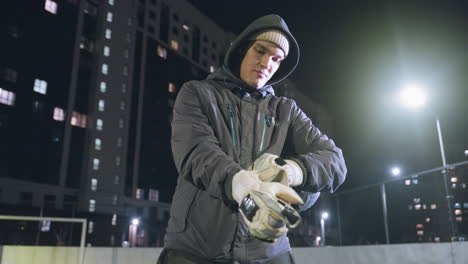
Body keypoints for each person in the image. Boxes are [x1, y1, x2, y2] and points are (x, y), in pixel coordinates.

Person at [157, 14, 347, 264]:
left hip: (268, 253)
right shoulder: (197, 93)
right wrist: (244, 186)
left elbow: (335, 161)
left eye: (276, 59)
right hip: (196, 250)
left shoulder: (285, 110)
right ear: (242, 49)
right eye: (260, 50)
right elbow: (196, 152)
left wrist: (290, 171)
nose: (266, 63)